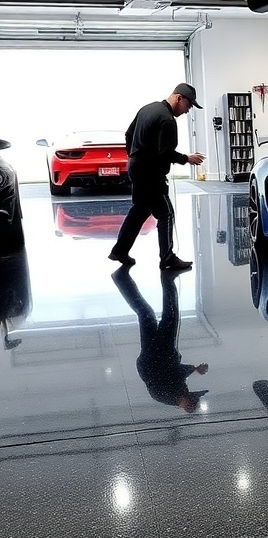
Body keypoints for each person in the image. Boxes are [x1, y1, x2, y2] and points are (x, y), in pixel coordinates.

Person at [109, 83, 206, 273]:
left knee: (139, 211)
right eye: (189, 105)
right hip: (150, 173)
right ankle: (167, 258)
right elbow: (165, 153)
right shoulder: (167, 120)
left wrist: (135, 156)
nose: (188, 111)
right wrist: (187, 158)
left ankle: (120, 250)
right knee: (166, 214)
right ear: (179, 98)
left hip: (136, 168)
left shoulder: (147, 109)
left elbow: (129, 134)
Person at [111, 266, 209, 413]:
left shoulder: (168, 395)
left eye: (190, 398)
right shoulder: (175, 394)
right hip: (154, 355)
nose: (190, 393)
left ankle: (168, 277)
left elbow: (174, 374)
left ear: (185, 405)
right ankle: (121, 278)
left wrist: (194, 369)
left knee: (170, 315)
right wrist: (193, 369)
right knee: (146, 314)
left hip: (159, 353)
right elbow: (176, 375)